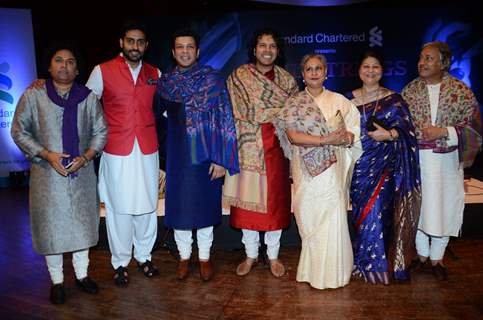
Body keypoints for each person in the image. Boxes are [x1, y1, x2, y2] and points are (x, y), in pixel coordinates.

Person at [11, 44, 107, 304]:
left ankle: (82, 275)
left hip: (82, 173)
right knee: (51, 228)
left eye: (70, 61)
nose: (64, 65)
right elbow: (19, 131)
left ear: (77, 69)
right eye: (59, 60)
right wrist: (46, 154)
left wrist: (86, 156)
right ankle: (57, 281)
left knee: (82, 225)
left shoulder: (87, 98)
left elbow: (101, 131)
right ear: (50, 66)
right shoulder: (34, 96)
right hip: (47, 175)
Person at [156, 28, 239, 281]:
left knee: (204, 208)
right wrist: (162, 160)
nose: (185, 51)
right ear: (173, 52)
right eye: (180, 47)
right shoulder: (165, 84)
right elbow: (157, 123)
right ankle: (184, 257)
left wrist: (221, 158)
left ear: (198, 51)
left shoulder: (213, 80)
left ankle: (203, 257)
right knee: (180, 210)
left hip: (206, 155)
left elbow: (226, 119)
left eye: (189, 46)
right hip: (178, 156)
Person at [275, 54, 361, 289]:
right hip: (306, 171)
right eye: (309, 69)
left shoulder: (340, 102)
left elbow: (354, 131)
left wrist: (346, 137)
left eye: (318, 68)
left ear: (325, 72)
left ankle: (335, 273)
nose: (314, 73)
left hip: (333, 170)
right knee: (308, 216)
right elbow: (292, 136)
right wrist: (324, 139)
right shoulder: (295, 102)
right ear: (302, 75)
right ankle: (311, 271)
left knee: (332, 218)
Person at [86, 21, 161, 286]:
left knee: (147, 205)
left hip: (148, 149)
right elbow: (84, 107)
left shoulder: (155, 73)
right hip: (117, 149)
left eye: (140, 42)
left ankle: (144, 256)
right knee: (119, 208)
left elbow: (165, 109)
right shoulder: (101, 71)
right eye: (131, 41)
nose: (135, 46)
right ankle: (120, 262)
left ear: (146, 46)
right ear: (121, 42)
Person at [402, 41, 482, 280]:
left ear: (443, 63)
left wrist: (445, 131)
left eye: (428, 58)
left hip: (447, 162)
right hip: (418, 161)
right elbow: (400, 127)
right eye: (421, 57)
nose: (422, 63)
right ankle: (422, 255)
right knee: (420, 206)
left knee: (444, 207)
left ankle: (438, 259)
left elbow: (475, 129)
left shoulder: (461, 92)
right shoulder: (409, 91)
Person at [223, 28, 298, 277]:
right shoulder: (239, 77)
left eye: (272, 46)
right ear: (254, 50)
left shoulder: (287, 81)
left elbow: (293, 114)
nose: (267, 50)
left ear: (278, 51)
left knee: (274, 205)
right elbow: (237, 110)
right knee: (249, 207)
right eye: (262, 45)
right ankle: (251, 255)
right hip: (248, 149)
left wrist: (275, 115)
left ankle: (274, 256)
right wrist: (274, 112)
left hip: (277, 149)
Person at [347, 50, 421, 285]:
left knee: (378, 214)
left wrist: (388, 134)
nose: (370, 71)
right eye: (366, 66)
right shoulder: (346, 100)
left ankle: (375, 268)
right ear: (358, 70)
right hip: (357, 167)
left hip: (384, 168)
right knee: (359, 216)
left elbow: (409, 133)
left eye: (375, 66)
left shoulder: (394, 99)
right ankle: (360, 263)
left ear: (382, 70)